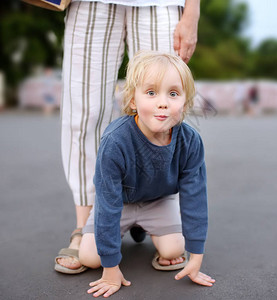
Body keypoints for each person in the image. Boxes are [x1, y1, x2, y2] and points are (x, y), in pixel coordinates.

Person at [55, 0, 200, 273]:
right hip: (89, 3)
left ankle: (154, 210)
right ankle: (85, 225)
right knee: (84, 114)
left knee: (164, 110)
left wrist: (192, 11)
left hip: (160, 3)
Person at [77, 50, 214, 297]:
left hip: (157, 200)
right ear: (133, 101)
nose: (163, 102)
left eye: (173, 94)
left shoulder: (190, 141)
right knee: (90, 258)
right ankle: (127, 227)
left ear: (185, 102)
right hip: (120, 202)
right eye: (151, 93)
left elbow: (195, 197)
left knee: (174, 250)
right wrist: (110, 268)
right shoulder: (115, 141)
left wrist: (196, 256)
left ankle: (143, 226)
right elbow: (108, 204)